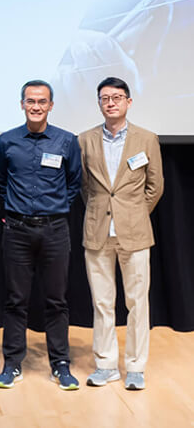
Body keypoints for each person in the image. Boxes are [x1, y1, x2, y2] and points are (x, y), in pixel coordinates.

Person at [0, 80, 82, 390]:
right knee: (16, 300)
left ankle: (60, 364)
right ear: (21, 104)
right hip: (16, 231)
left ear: (51, 105)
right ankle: (12, 363)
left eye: (41, 101)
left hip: (55, 231)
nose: (35, 106)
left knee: (56, 301)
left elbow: (73, 184)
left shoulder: (66, 141)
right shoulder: (6, 142)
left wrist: (53, 209)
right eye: (30, 101)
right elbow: (1, 182)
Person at [79, 77, 164, 390]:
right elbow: (85, 187)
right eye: (105, 98)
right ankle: (105, 365)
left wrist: (134, 214)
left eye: (117, 97)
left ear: (129, 102)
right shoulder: (84, 139)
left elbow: (155, 185)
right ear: (99, 103)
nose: (110, 102)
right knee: (102, 303)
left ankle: (136, 367)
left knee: (137, 302)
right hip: (97, 230)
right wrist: (102, 211)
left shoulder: (147, 138)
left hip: (135, 232)